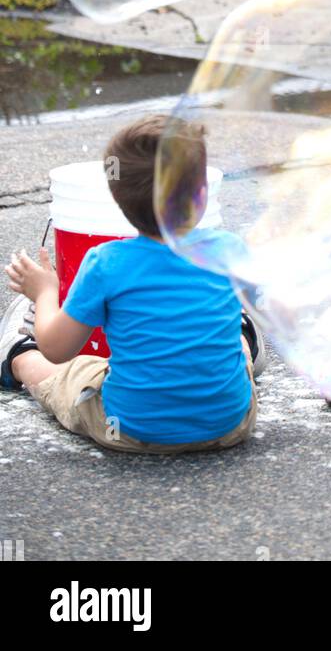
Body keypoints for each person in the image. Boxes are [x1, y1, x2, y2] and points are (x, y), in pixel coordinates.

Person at [0, 114, 265, 455]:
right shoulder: (229, 249)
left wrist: (45, 291)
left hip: (131, 429)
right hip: (230, 425)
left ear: (116, 196)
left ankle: (17, 358)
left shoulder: (106, 263)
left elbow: (56, 348)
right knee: (233, 341)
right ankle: (243, 338)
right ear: (201, 195)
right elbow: (264, 303)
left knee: (76, 371)